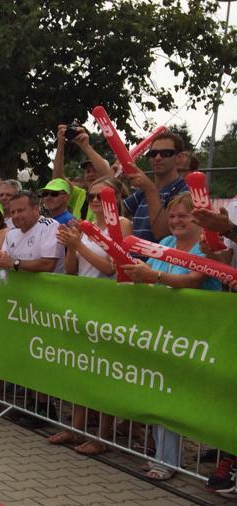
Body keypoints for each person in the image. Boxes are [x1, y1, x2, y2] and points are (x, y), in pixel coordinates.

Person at [120, 192, 221, 480]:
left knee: (181, 396)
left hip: (196, 332)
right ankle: (163, 457)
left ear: (198, 219)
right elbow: (150, 273)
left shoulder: (206, 246)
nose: (176, 221)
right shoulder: (164, 243)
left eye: (183, 216)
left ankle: (177, 459)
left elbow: (194, 279)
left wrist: (153, 278)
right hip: (164, 331)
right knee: (161, 391)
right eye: (172, 215)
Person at [51, 177, 132, 455]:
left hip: (109, 303)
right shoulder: (86, 226)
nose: (96, 201)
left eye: (102, 196)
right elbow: (73, 269)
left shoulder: (120, 225)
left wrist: (79, 243)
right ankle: (76, 428)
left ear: (116, 197)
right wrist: (72, 245)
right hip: (85, 301)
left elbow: (111, 267)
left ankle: (103, 436)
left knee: (105, 371)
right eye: (92, 196)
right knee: (80, 367)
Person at [123, 132, 188, 243]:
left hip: (159, 259)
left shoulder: (184, 191)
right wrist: (113, 177)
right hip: (133, 258)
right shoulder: (143, 191)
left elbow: (163, 234)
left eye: (166, 153)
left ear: (179, 158)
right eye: (153, 153)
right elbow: (113, 213)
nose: (157, 158)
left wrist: (150, 189)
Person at [0, 191, 64, 274]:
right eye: (13, 212)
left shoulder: (50, 226)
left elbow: (48, 265)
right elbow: (5, 262)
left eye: (20, 211)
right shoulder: (10, 233)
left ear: (36, 209)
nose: (15, 216)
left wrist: (14, 263)